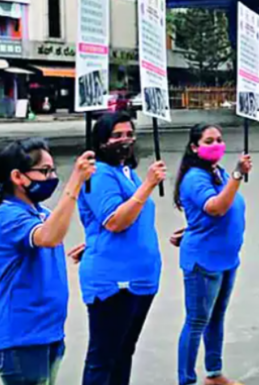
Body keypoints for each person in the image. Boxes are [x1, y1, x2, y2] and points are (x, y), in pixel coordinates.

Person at [0, 140, 94, 385]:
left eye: (53, 170)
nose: (51, 177)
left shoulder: (41, 214)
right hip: (23, 340)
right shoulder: (7, 215)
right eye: (44, 171)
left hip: (48, 333)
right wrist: (75, 183)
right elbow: (49, 238)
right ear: (17, 177)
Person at [78, 112, 165, 385]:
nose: (125, 140)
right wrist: (148, 185)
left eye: (129, 134)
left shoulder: (126, 172)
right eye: (117, 136)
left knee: (123, 352)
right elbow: (115, 221)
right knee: (103, 358)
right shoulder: (98, 175)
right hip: (115, 281)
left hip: (140, 277)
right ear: (101, 142)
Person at [174, 124, 252, 385]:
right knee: (197, 321)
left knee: (216, 317)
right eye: (208, 141)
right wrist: (237, 175)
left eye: (219, 139)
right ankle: (186, 380)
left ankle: (214, 373)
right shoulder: (195, 177)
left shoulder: (217, 172)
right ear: (194, 147)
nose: (216, 144)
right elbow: (216, 208)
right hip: (204, 261)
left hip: (226, 257)